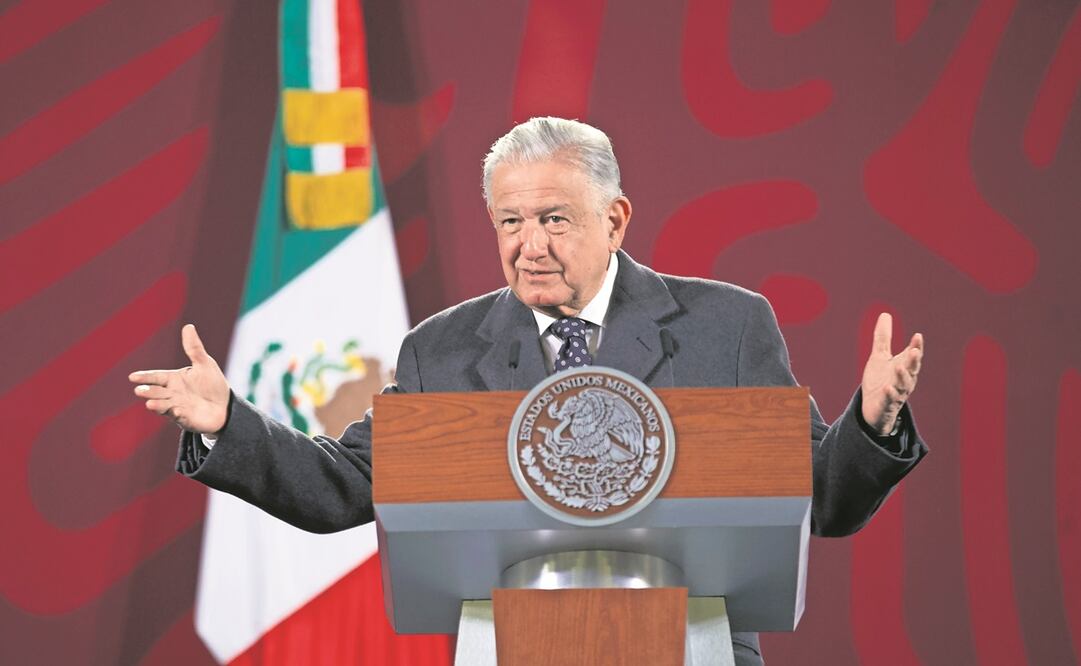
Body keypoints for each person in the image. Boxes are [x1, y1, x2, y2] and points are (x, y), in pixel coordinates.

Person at [130, 117, 926, 665]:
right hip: (506, 647)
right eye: (509, 222)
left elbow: (819, 500)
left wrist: (870, 420)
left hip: (694, 647)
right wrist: (229, 423)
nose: (528, 245)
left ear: (614, 220)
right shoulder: (442, 349)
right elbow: (347, 486)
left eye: (553, 219)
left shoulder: (727, 326)